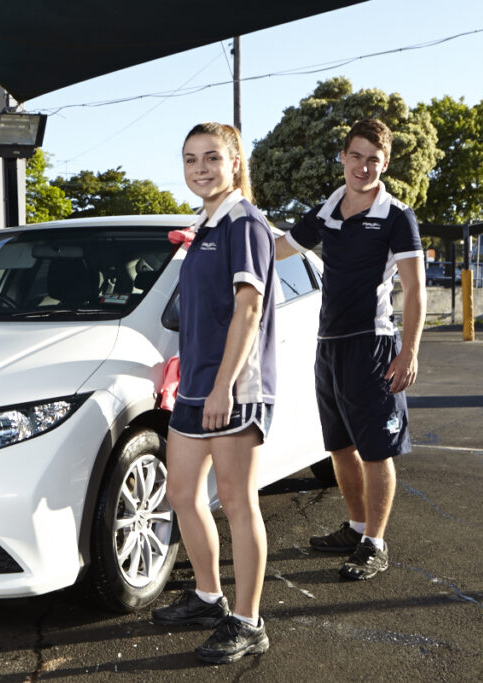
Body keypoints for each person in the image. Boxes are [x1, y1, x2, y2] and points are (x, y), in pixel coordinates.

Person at [275, 118, 425, 581]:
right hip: (329, 345)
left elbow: (415, 291)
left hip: (374, 345)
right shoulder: (327, 209)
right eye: (356, 156)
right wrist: (222, 246)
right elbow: (281, 247)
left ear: (386, 163)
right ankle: (357, 526)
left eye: (373, 159)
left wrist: (410, 352)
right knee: (339, 446)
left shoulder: (396, 215)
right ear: (342, 156)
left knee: (376, 450)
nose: (363, 167)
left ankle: (375, 543)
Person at [152, 122, 277, 665]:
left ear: (234, 164)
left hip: (234, 386)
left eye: (211, 158)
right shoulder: (203, 225)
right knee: (181, 493)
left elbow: (248, 308)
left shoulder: (244, 223)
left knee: (236, 502)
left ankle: (248, 622)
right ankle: (208, 597)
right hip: (196, 385)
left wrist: (224, 385)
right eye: (190, 159)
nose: (200, 168)